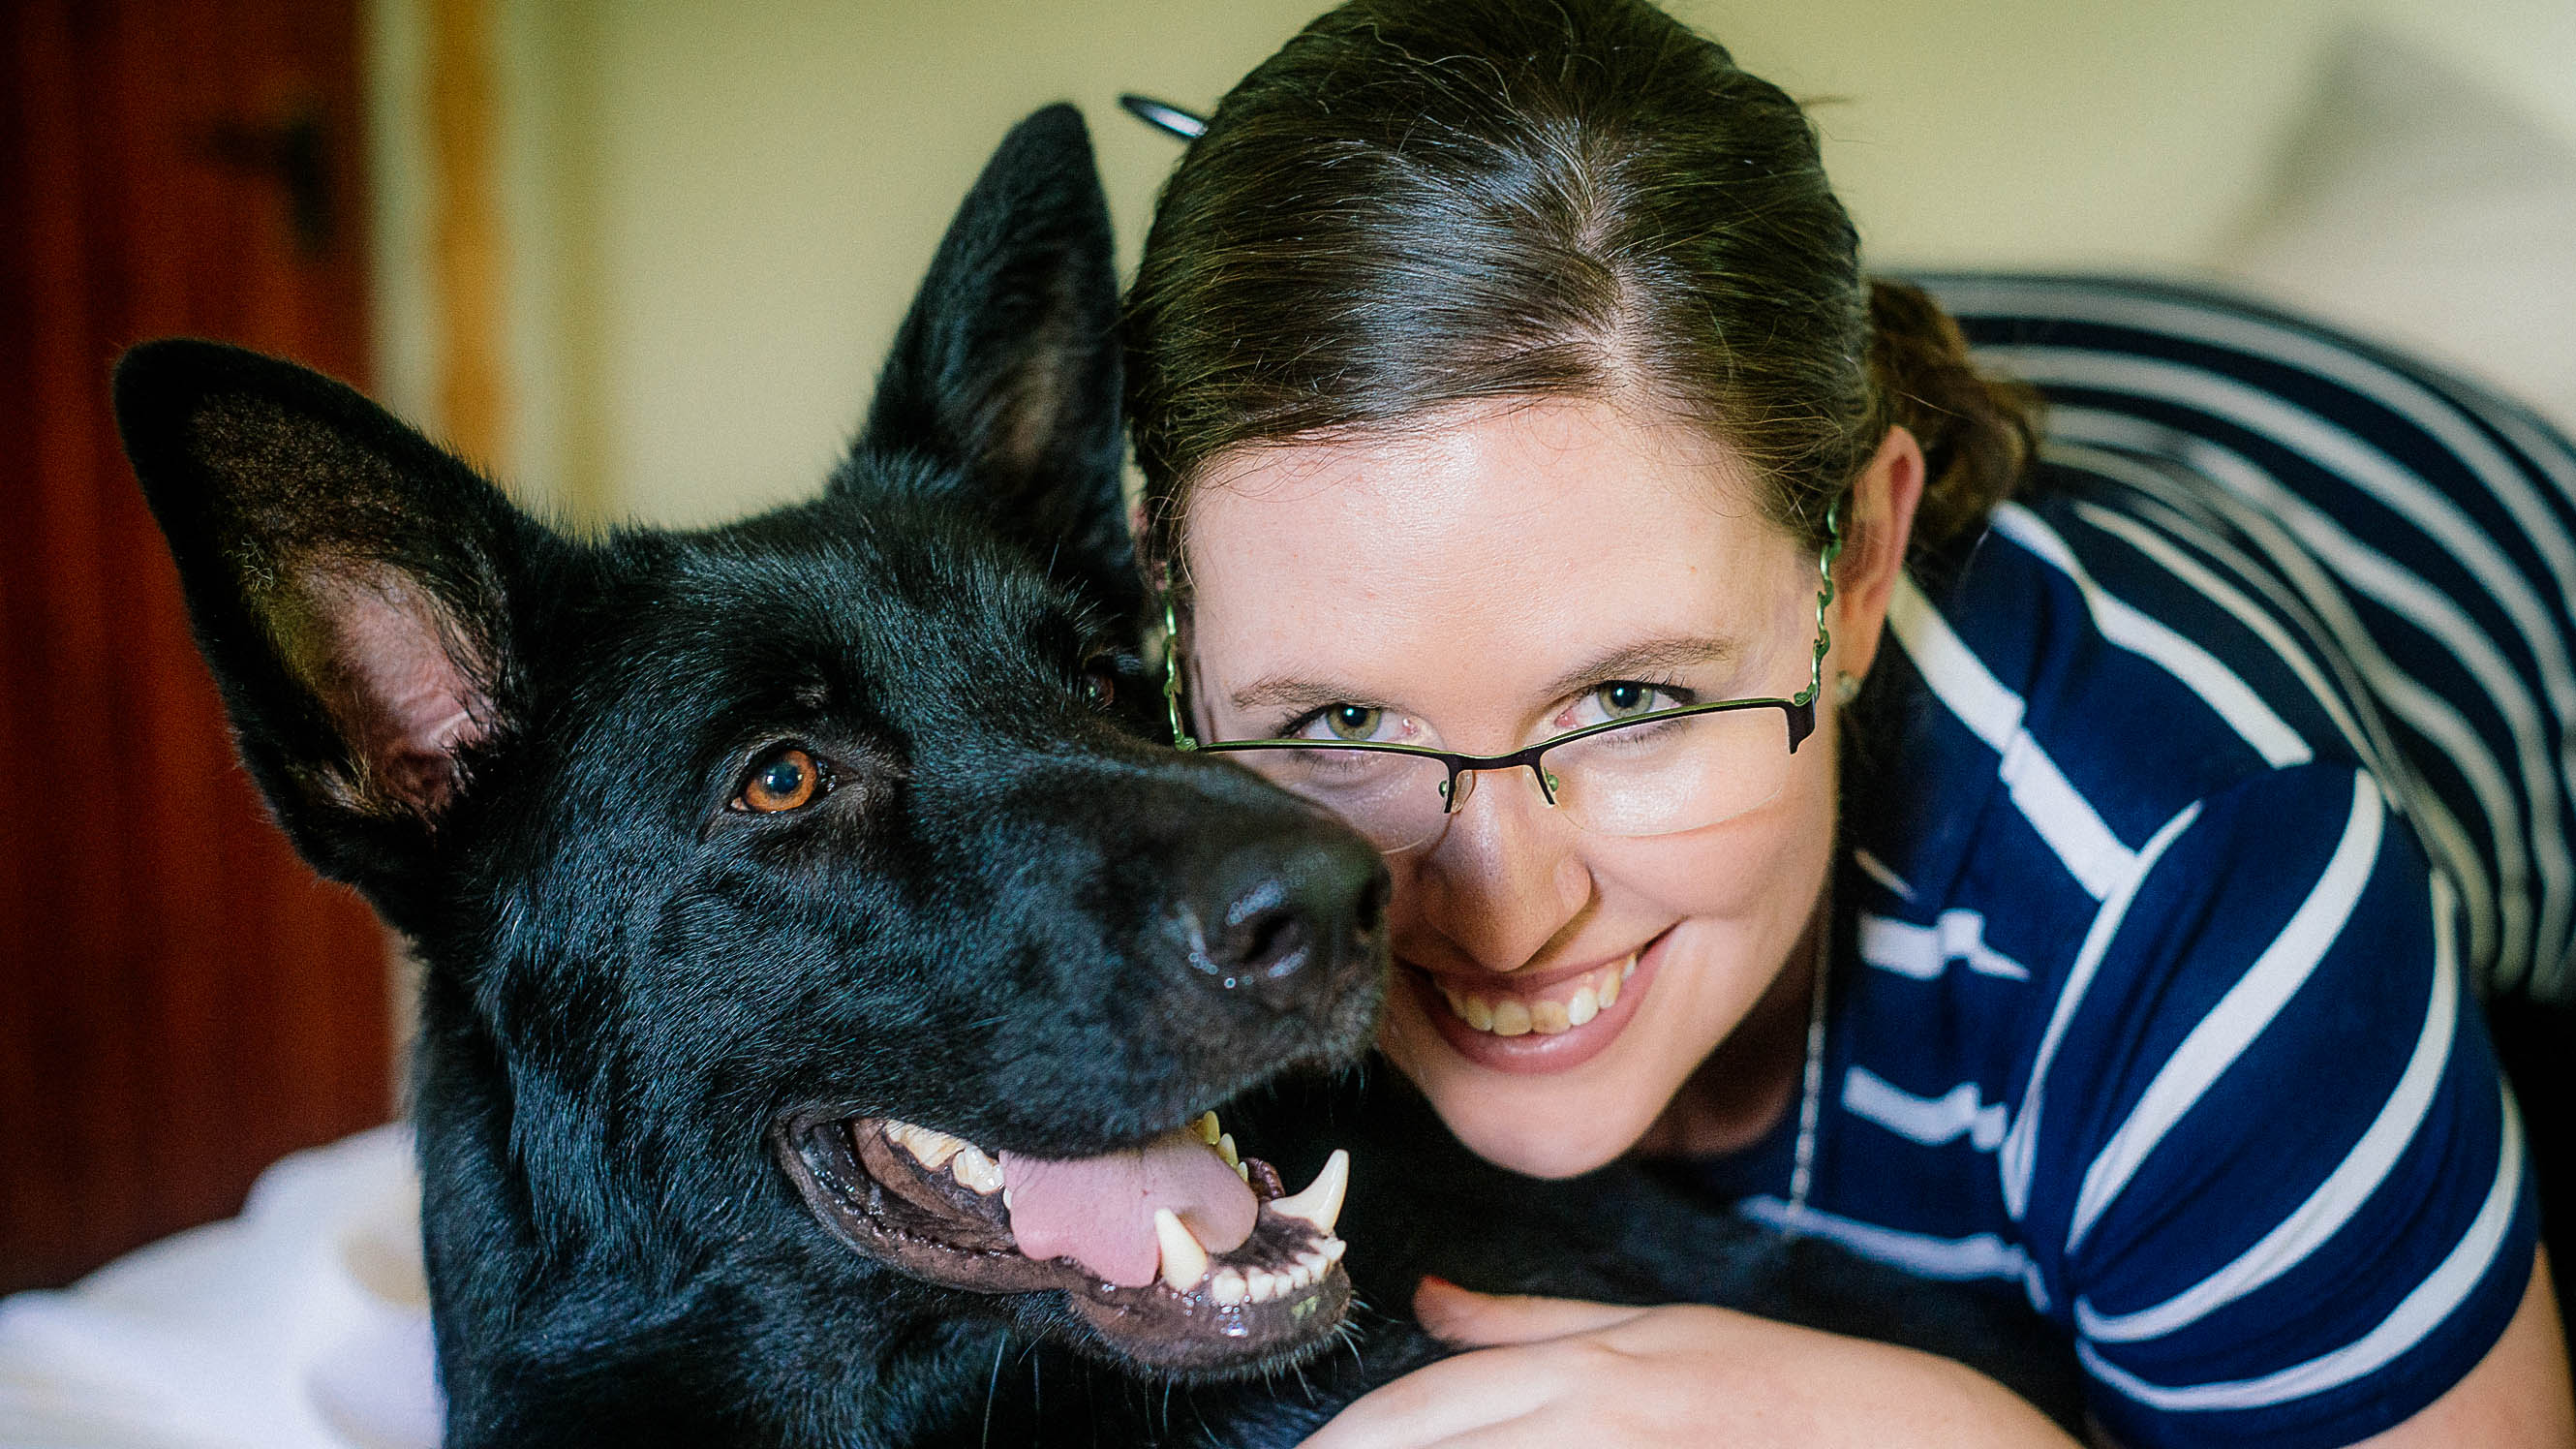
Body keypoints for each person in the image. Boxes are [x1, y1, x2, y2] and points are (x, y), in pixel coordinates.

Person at [1122, 1, 2576, 1444]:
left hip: (2428, 496)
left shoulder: (2198, 884)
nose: (1505, 916)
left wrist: (1944, 1432)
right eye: (1344, 718)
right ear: (1165, 607)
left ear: (1861, 568)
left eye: (1632, 699)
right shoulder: (1171, 674)